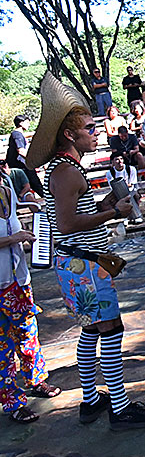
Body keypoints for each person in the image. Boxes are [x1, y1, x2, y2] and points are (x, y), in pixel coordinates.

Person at [26, 72, 145, 430]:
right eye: (89, 128)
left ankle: (91, 400)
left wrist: (106, 204)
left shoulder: (65, 169)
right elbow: (70, 224)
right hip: (85, 265)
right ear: (70, 135)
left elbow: (75, 215)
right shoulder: (68, 172)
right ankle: (119, 408)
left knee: (91, 331)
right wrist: (113, 213)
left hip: (79, 263)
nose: (96, 132)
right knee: (111, 330)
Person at [0, 168, 61, 424]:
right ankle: (12, 401)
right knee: (2, 345)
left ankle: (36, 380)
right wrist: (14, 237)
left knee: (28, 330)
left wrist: (28, 221)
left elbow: (12, 213)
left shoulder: (5, 180)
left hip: (19, 277)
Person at [6, 115, 41, 194]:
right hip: (20, 165)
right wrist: (34, 160)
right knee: (35, 184)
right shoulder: (17, 134)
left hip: (20, 165)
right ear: (21, 123)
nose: (29, 125)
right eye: (27, 122)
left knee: (33, 185)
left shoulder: (17, 134)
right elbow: (21, 151)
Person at [107, 152, 143, 224]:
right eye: (117, 159)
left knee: (135, 196)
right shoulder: (110, 173)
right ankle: (125, 217)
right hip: (118, 192)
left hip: (131, 190)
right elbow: (112, 186)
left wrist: (125, 186)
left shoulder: (131, 169)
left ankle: (137, 216)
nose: (120, 161)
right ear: (113, 161)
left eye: (121, 159)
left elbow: (132, 183)